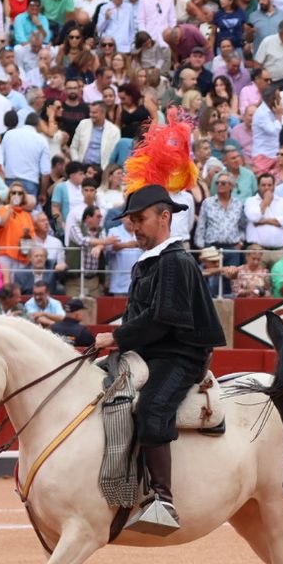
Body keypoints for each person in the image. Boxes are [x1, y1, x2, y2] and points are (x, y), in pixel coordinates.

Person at [93, 120, 226, 533]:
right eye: (130, 218)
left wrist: (116, 336)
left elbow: (163, 319)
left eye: (139, 218)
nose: (132, 225)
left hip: (181, 355)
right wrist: (117, 337)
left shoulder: (175, 260)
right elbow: (141, 317)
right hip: (150, 349)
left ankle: (161, 501)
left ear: (164, 216)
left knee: (152, 409)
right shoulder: (151, 260)